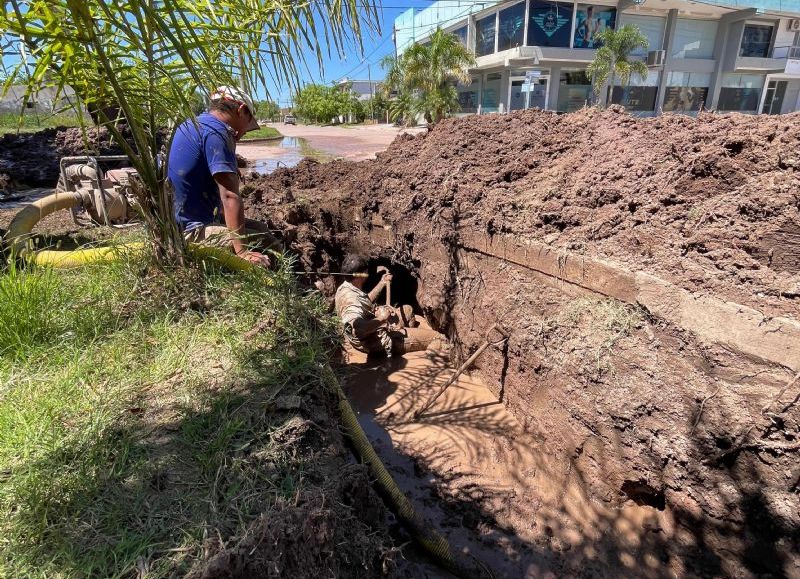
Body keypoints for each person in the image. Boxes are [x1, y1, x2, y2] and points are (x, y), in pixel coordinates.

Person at [167, 86, 279, 267]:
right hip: (191, 231)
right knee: (267, 242)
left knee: (262, 229)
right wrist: (242, 252)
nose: (242, 134)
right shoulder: (217, 133)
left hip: (179, 221)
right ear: (241, 110)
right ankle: (278, 284)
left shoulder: (193, 124)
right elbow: (229, 196)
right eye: (247, 124)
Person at [334, 254, 444, 358]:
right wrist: (382, 318)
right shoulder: (351, 301)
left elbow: (364, 301)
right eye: (366, 271)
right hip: (376, 342)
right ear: (360, 275)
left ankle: (408, 337)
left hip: (372, 331)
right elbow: (359, 329)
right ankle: (407, 346)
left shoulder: (346, 288)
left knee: (408, 310)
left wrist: (382, 283)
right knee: (438, 338)